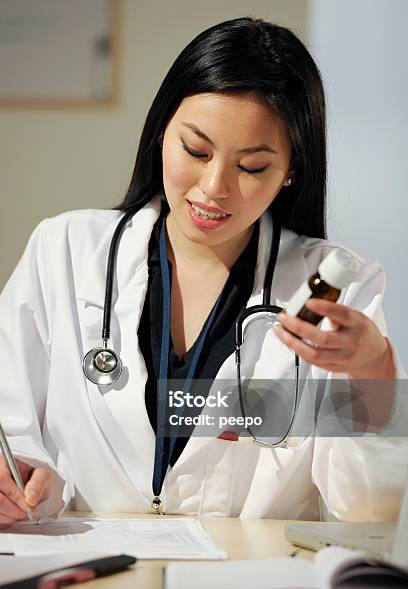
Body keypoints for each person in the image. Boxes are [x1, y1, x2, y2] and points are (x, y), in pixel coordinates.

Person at [0, 17, 406, 527]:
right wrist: (20, 478)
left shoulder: (334, 285)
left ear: (291, 169)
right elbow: (13, 435)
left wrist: (373, 376)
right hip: (95, 583)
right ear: (161, 133)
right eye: (196, 150)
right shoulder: (62, 252)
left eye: (252, 167)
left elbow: (369, 508)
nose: (215, 186)